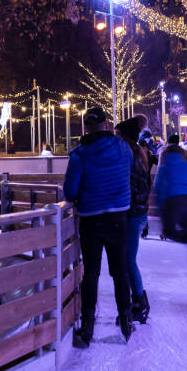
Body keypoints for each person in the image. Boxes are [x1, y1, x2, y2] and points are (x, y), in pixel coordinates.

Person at [63, 106, 135, 348]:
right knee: (120, 271)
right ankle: (126, 320)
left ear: (86, 128)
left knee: (91, 273)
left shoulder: (79, 155)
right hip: (119, 217)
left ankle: (87, 326)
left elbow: (70, 191)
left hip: (91, 219)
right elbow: (128, 170)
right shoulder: (123, 148)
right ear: (106, 124)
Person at [115, 115, 152, 324]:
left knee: (128, 259)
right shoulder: (137, 152)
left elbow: (132, 187)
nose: (116, 138)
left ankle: (138, 302)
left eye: (118, 135)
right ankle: (136, 301)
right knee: (127, 259)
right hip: (136, 213)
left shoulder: (131, 155)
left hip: (132, 215)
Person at [154, 143, 187, 274]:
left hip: (171, 202)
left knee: (168, 232)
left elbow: (158, 189)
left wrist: (160, 209)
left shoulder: (164, 168)